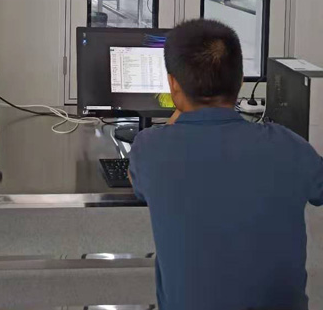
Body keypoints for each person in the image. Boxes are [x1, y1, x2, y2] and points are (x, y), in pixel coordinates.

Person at [129, 19, 323, 310]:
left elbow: (136, 183)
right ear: (241, 80)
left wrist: (179, 109)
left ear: (173, 84)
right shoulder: (289, 146)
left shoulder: (149, 148)